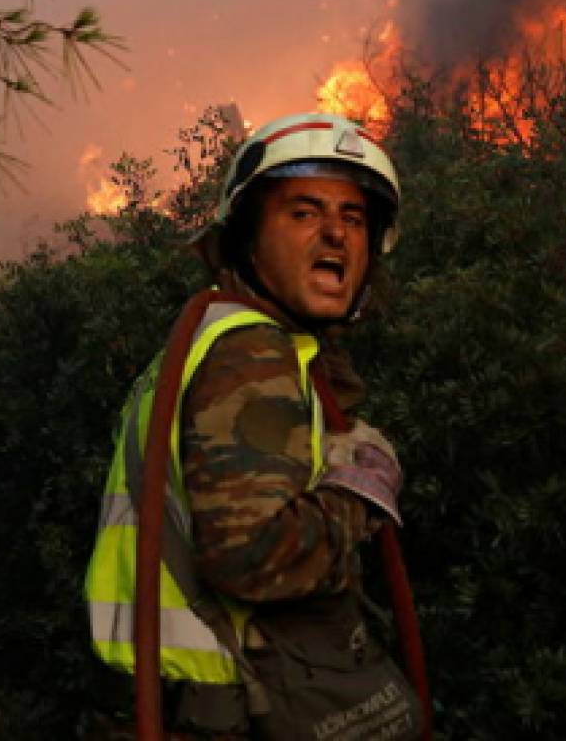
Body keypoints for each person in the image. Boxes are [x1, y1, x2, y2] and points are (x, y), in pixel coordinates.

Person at [84, 112, 422, 739]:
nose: (334, 235)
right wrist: (359, 489)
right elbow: (251, 555)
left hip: (184, 694)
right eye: (302, 213)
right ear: (246, 239)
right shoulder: (250, 351)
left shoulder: (222, 338)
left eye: (353, 218)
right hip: (226, 708)